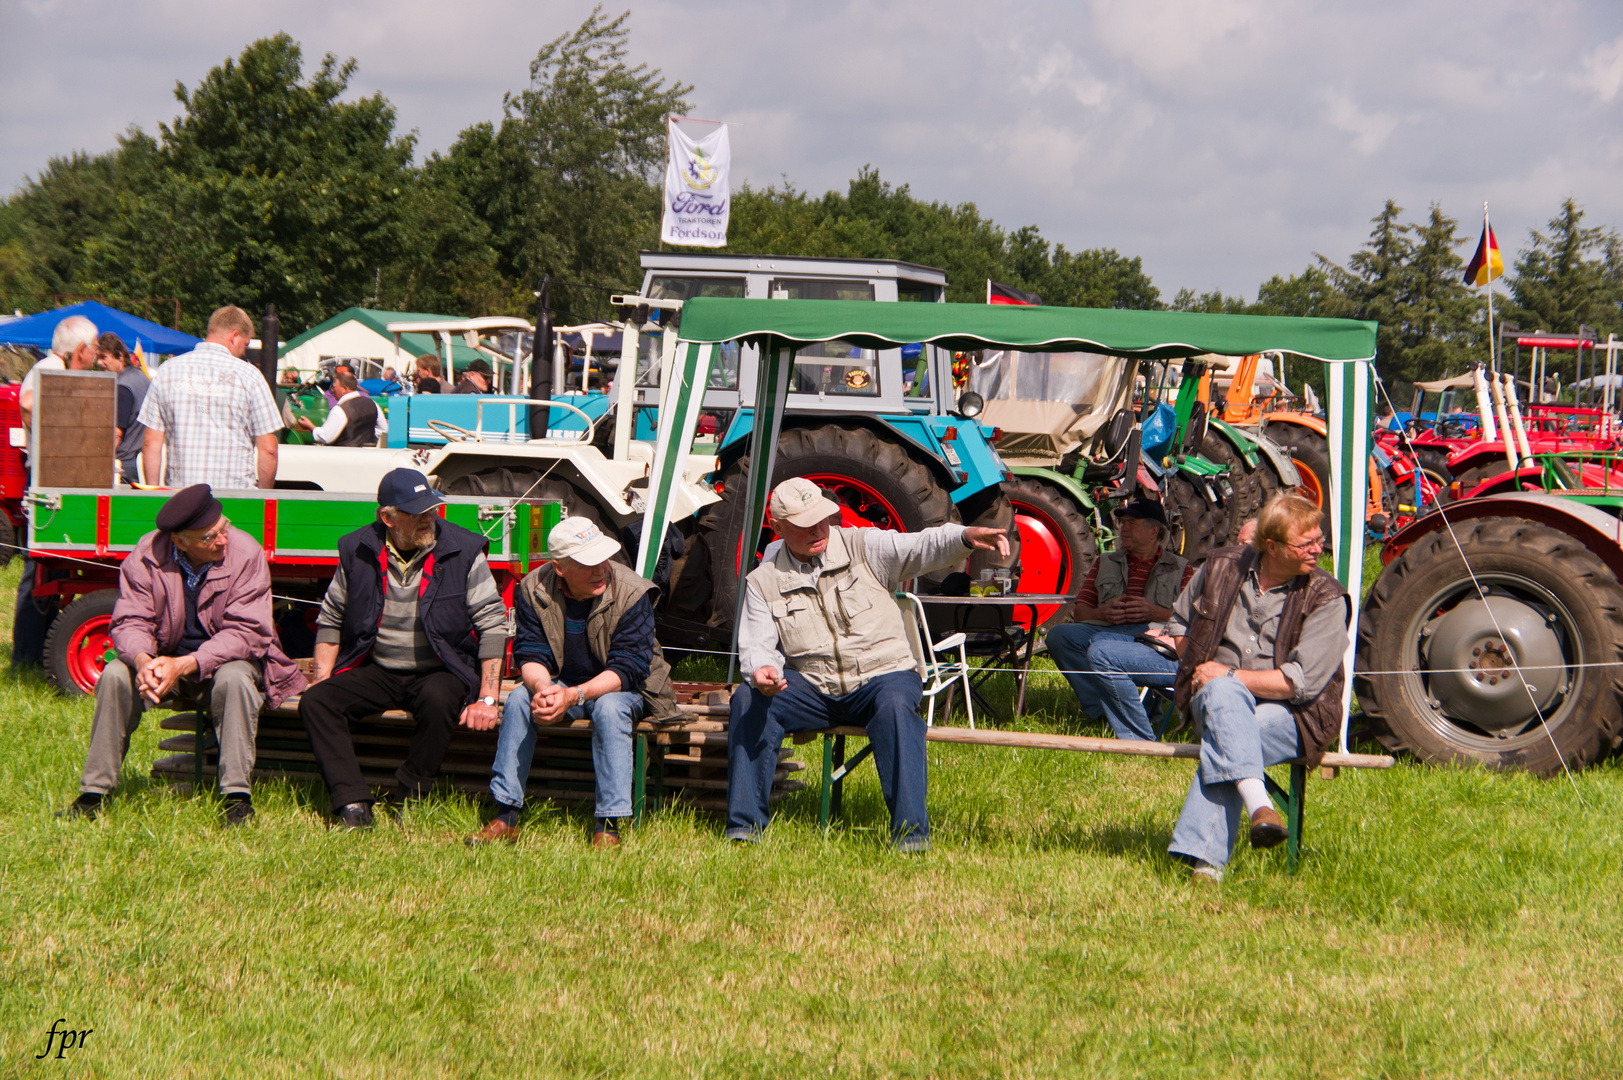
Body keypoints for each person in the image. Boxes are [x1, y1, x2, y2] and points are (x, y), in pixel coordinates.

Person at [727, 478, 1010, 852]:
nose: (817, 529)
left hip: (884, 675)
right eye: (803, 523)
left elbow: (919, 545)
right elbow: (757, 645)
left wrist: (964, 537)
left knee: (894, 705)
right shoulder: (762, 581)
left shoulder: (862, 544)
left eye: (823, 518)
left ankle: (911, 835)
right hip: (814, 687)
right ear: (777, 527)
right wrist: (762, 671)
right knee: (747, 699)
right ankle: (744, 828)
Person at [60, 484, 306, 825]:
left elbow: (248, 632)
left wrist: (187, 664)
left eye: (223, 528)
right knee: (117, 674)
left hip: (225, 662)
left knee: (235, 680)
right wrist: (144, 661)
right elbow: (130, 619)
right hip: (165, 660)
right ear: (180, 542)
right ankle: (93, 793)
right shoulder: (147, 554)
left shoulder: (246, 553)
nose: (222, 539)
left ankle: (237, 798)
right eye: (209, 537)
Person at [299, 468, 508, 827]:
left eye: (432, 508)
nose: (430, 518)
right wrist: (321, 677)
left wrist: (488, 697)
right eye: (418, 513)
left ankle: (411, 795)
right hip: (377, 667)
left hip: (442, 667)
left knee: (439, 698)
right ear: (388, 518)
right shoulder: (357, 549)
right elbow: (331, 618)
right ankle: (351, 802)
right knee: (316, 701)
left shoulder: (465, 549)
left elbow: (492, 624)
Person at [1163, 493, 1349, 883]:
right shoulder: (1220, 567)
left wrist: (1226, 676)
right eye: (1307, 543)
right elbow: (1178, 622)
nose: (1319, 549)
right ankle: (1260, 805)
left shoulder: (1327, 596)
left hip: (1295, 716)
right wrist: (1199, 667)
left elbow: (1299, 683)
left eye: (1320, 538)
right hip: (1212, 702)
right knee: (1224, 700)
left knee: (1230, 736)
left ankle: (1206, 866)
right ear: (1272, 546)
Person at [469, 517, 681, 848]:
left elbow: (628, 669)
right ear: (560, 568)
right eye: (588, 563)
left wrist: (574, 695)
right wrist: (543, 690)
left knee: (610, 710)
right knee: (519, 701)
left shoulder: (632, 591)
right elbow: (530, 653)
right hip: (561, 683)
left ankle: (608, 826)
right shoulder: (533, 587)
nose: (601, 569)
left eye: (603, 558)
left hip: (625, 688)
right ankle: (505, 815)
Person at [1044, 499, 1194, 740]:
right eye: (1122, 522)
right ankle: (1102, 710)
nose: (1123, 528)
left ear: (1154, 530)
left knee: (1102, 644)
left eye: (1131, 523)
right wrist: (1101, 613)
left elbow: (1192, 619)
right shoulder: (1105, 562)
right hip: (1106, 628)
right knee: (1059, 636)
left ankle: (1138, 714)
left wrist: (1155, 613)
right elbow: (1080, 612)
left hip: (1151, 637)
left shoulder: (1181, 568)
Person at [12, 314, 99, 670]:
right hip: (46, 479)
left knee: (48, 565)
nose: (95, 355)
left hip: (56, 477)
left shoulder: (54, 367)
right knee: (39, 567)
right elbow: (29, 403)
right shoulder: (49, 366)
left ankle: (37, 649)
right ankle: (27, 655)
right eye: (93, 348)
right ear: (80, 350)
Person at [138, 306, 283, 490]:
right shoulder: (250, 376)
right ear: (234, 336)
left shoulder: (167, 370)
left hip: (181, 496)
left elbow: (151, 441)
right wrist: (264, 497)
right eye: (245, 344)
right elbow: (269, 449)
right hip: (234, 498)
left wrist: (153, 492)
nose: (244, 351)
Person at [96, 332, 150, 485]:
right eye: (98, 358)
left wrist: (102, 463)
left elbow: (116, 433)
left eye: (104, 357)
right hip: (139, 461)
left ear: (120, 356)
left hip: (123, 465)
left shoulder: (122, 386)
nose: (99, 363)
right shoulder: (142, 378)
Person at [294, 368, 385, 447]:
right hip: (367, 456)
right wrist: (368, 442)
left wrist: (311, 426)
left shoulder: (340, 410)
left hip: (344, 458)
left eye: (334, 387)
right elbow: (383, 429)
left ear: (344, 388)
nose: (332, 390)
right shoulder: (373, 404)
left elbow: (326, 437)